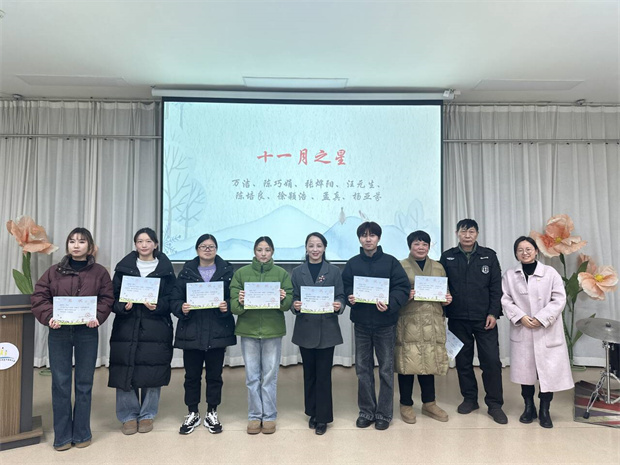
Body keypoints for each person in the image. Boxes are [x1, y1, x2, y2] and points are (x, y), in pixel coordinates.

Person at [31, 227, 114, 451]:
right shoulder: (53, 271)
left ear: (90, 246)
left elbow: (107, 298)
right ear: (67, 245)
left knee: (84, 384)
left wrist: (97, 316)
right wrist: (49, 317)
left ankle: (82, 433)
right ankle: (62, 436)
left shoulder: (99, 273)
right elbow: (39, 297)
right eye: (72, 241)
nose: (76, 245)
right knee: (60, 383)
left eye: (82, 241)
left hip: (87, 332)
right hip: (59, 332)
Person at [342, 221, 411, 430]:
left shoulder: (391, 262)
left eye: (372, 235)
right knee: (363, 370)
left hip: (385, 324)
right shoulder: (353, 263)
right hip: (361, 324)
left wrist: (390, 303)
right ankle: (366, 411)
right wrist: (349, 297)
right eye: (364, 235)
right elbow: (345, 287)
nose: (368, 239)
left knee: (386, 370)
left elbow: (402, 288)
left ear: (378, 238)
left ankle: (384, 414)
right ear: (359, 239)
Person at [108, 227, 176, 435]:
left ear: (156, 244)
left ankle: (147, 414)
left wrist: (159, 306)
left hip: (156, 326)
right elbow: (112, 297)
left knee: (152, 367)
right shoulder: (124, 268)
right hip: (127, 325)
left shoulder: (165, 269)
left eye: (148, 241)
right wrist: (123, 306)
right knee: (125, 367)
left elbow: (172, 298)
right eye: (140, 241)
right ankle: (128, 415)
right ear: (135, 244)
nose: (144, 245)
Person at [501, 236, 573, 428]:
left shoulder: (550, 273)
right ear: (516, 253)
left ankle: (544, 409)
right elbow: (505, 299)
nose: (524, 253)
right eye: (520, 250)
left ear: (536, 251)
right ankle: (529, 406)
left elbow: (559, 299)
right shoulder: (510, 275)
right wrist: (521, 317)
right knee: (525, 373)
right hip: (523, 329)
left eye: (528, 249)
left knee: (547, 373)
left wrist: (541, 318)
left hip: (546, 330)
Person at [439, 219, 507, 424]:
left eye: (471, 231)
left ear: (477, 234)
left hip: (484, 318)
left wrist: (493, 313)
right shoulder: (448, 256)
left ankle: (494, 404)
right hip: (457, 318)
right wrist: (443, 300)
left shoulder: (489, 256)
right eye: (463, 231)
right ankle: (470, 399)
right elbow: (441, 284)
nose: (467, 235)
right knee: (463, 362)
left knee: (491, 362)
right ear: (457, 233)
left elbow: (496, 287)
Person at [170, 234, 236, 435]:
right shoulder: (186, 272)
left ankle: (212, 412)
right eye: (203, 246)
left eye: (211, 246)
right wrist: (181, 308)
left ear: (216, 249)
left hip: (217, 331)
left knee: (215, 376)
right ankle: (192, 412)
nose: (207, 249)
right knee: (192, 376)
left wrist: (227, 306)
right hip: (192, 331)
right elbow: (175, 299)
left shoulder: (227, 271)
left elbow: (235, 298)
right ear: (197, 249)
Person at [230, 236, 293, 435]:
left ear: (272, 252)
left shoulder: (281, 274)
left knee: (269, 377)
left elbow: (287, 305)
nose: (263, 254)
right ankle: (254, 416)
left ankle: (270, 416)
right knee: (252, 376)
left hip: (272, 331)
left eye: (267, 250)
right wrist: (240, 300)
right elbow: (234, 307)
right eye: (259, 250)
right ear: (254, 252)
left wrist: (283, 298)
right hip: (248, 331)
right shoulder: (241, 273)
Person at [290, 232, 346, 435]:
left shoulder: (334, 271)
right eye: (311, 245)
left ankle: (323, 417)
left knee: (324, 375)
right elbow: (293, 298)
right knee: (309, 374)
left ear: (324, 248)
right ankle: (312, 412)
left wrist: (339, 304)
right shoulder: (297, 272)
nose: (315, 249)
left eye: (319, 245)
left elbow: (341, 295)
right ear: (306, 248)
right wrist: (294, 305)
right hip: (305, 330)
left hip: (327, 330)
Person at [396, 230, 452, 425]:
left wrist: (447, 299)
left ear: (429, 246)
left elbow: (445, 291)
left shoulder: (438, 267)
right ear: (410, 246)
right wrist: (405, 296)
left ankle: (429, 403)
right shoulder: (400, 266)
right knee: (407, 364)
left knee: (429, 362)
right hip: (409, 320)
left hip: (431, 320)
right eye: (416, 244)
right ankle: (405, 404)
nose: (420, 247)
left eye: (424, 244)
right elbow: (394, 293)